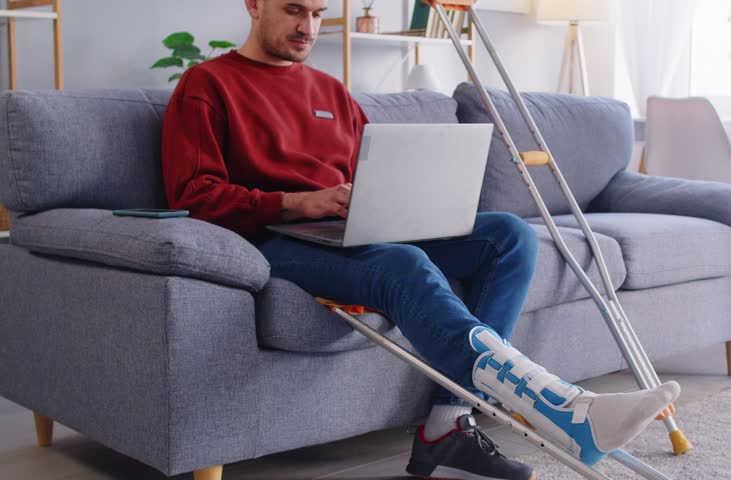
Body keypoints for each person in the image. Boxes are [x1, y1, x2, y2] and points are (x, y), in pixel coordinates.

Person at [161, 1, 681, 479]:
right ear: (253, 4)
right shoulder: (207, 84)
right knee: (402, 263)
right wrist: (298, 202)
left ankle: (446, 424)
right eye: (294, 10)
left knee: (508, 235)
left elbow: (369, 174)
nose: (308, 27)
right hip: (280, 238)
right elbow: (194, 194)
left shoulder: (329, 91)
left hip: (358, 228)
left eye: (318, 13)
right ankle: (565, 407)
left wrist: (404, 203)